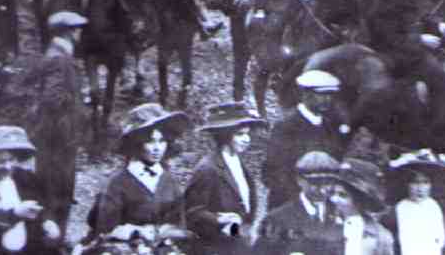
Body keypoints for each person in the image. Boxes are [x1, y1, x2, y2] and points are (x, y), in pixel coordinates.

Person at [366, 0, 445, 148]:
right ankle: (436, 133)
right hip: (393, 53)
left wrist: (440, 26)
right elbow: (387, 35)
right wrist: (420, 40)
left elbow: (422, 17)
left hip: (412, 49)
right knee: (437, 77)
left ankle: (440, 124)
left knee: (444, 71)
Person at [19, 11, 87, 236]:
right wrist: (73, 116)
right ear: (67, 32)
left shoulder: (58, 54)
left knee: (56, 188)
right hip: (58, 138)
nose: (80, 32)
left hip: (55, 136)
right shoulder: (59, 58)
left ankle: (54, 236)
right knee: (57, 188)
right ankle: (53, 240)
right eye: (76, 29)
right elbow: (52, 98)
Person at [92, 103, 191, 235]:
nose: (157, 148)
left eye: (161, 141)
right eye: (150, 141)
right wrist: (134, 232)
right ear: (137, 143)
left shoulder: (170, 181)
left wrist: (169, 232)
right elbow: (104, 230)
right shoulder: (117, 183)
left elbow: (179, 223)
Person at [185, 102, 266, 255]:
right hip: (216, 247)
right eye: (240, 134)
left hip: (239, 243)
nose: (246, 139)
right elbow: (192, 213)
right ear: (225, 135)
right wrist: (218, 220)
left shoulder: (237, 162)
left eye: (248, 134)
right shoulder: (208, 169)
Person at [263, 70, 350, 210]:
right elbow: (273, 172)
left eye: (330, 95)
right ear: (305, 94)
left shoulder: (330, 126)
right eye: (321, 94)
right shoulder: (286, 126)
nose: (327, 99)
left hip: (324, 205)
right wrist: (301, 201)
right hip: (289, 206)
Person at [0, 126, 62, 255]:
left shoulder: (29, 180)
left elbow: (45, 206)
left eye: (11, 160)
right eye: (0, 162)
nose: (8, 166)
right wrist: (15, 214)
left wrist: (49, 221)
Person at [254, 151, 343, 255]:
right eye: (316, 183)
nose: (322, 190)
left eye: (328, 183)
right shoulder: (277, 219)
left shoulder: (341, 215)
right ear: (299, 180)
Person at [382, 154, 445, 255]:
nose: (420, 188)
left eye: (425, 183)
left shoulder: (435, 207)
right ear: (407, 184)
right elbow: (390, 241)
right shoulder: (399, 209)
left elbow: (443, 240)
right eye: (415, 183)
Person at [328, 158, 394, 255]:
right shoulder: (325, 226)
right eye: (333, 193)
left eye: (342, 195)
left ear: (359, 200)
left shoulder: (381, 237)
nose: (334, 199)